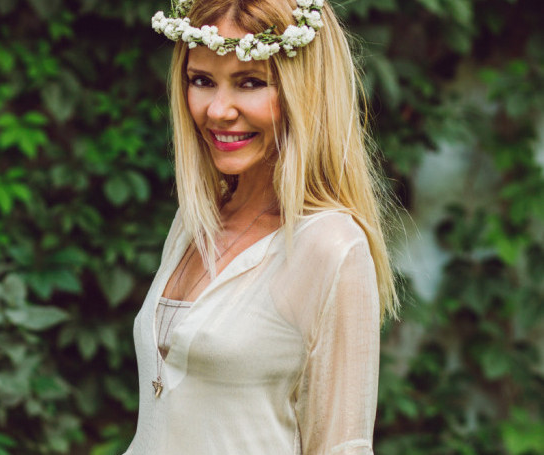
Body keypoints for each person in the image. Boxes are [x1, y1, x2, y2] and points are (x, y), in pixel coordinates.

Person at [125, 0, 398, 453]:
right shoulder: (195, 222)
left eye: (250, 82)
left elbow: (342, 445)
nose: (218, 110)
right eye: (201, 80)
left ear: (305, 89)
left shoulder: (331, 245)